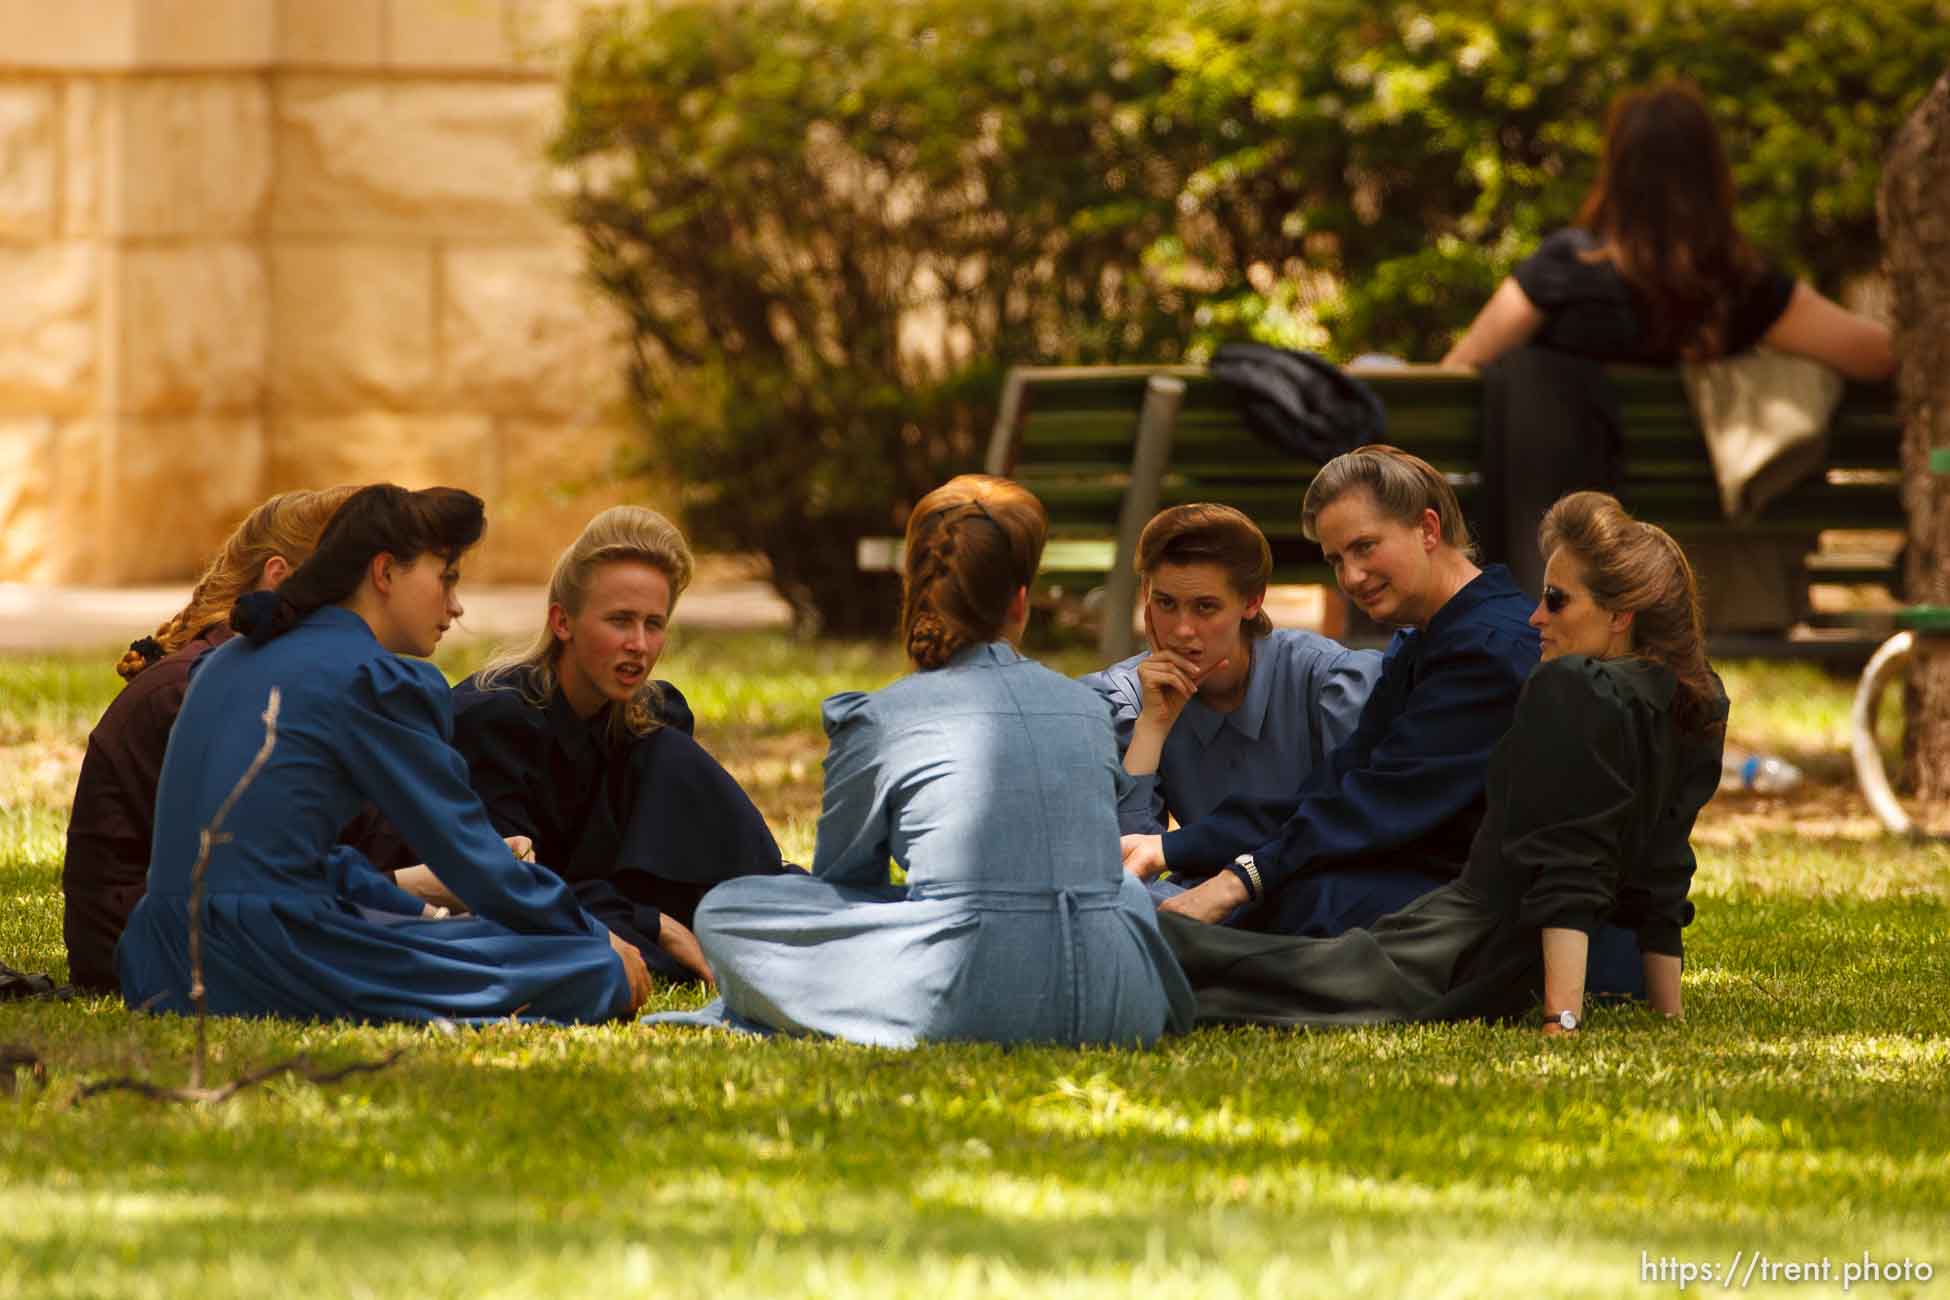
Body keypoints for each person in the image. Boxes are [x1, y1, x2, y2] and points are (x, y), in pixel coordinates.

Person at [645, 475, 1194, 1047]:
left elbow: (845, 881)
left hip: (973, 992)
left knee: (728, 909)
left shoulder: (880, 718)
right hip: (1118, 998)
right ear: (1020, 601)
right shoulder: (1086, 706)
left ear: (918, 592)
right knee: (1120, 890)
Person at [1159, 492, 1728, 1033]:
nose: (1536, 618)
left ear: (1621, 614)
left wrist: (1562, 1021)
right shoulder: (1696, 700)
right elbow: (1663, 871)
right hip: (1540, 946)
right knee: (1302, 961)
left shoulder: (1569, 686)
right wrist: (1665, 1013)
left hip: (1473, 942)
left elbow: (1570, 872)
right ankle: (1144, 940)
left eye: (1556, 599)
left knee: (1282, 971)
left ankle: (1136, 943)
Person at [116, 485, 651, 1024]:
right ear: (385, 572)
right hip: (270, 957)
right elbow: (468, 854)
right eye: (445, 577)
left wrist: (413, 911)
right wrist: (594, 933)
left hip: (162, 957)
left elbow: (300, 859)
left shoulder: (229, 659)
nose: (455, 604)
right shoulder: (370, 677)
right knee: (590, 968)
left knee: (477, 936)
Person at [1118, 446, 1541, 939]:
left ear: (1428, 529)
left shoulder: (1487, 648)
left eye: (1365, 547)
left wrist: (1239, 880)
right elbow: (1331, 788)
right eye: (1336, 559)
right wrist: (1174, 848)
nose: (1351, 577)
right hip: (1426, 881)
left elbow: (1376, 805)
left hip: (1499, 906)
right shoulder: (1426, 639)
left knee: (1300, 901)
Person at [439, 506, 788, 983]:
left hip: (611, 903)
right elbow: (506, 881)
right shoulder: (495, 720)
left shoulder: (651, 715)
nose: (639, 645)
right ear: (562, 623)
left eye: (654, 624)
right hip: (504, 914)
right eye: (620, 621)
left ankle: (780, 911)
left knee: (663, 746)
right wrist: (649, 925)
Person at [62, 486, 360, 993]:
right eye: (355, 590)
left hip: (221, 938)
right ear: (279, 578)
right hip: (159, 957)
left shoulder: (287, 679)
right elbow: (267, 873)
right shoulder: (200, 689)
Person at [1441, 81, 1894, 380]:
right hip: (1700, 523)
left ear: (1616, 173)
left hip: (1569, 518)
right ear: (1711, 175)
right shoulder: (1742, 286)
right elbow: (1881, 355)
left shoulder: (1563, 269)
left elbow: (1456, 374)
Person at [1079, 505, 1381, 895]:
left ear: (1252, 602)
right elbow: (1128, 867)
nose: (1183, 630)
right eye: (1166, 603)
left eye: (1205, 607)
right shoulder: (1123, 698)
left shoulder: (1324, 680)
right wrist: (1152, 728)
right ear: (1146, 597)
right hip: (1200, 910)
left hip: (1318, 896)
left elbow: (1355, 824)